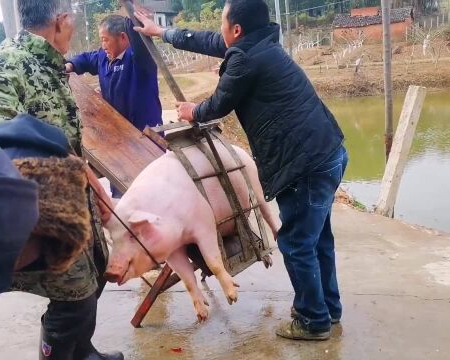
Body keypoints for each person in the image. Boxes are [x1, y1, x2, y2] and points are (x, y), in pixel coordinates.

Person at [134, 0, 347, 341]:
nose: (220, 30)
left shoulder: (245, 59)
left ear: (237, 30)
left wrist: (193, 110)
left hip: (306, 163)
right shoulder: (259, 45)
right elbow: (211, 42)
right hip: (329, 151)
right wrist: (164, 32)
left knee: (296, 244)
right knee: (317, 239)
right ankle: (327, 308)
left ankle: (313, 320)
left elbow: (218, 104)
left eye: (223, 23)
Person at [0, 0, 123, 359]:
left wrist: (88, 181)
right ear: (61, 21)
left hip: (72, 203)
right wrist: (58, 154)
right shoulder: (11, 60)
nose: (74, 25)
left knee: (95, 277)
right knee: (75, 300)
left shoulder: (50, 62)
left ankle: (82, 352)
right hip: (43, 213)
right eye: (73, 18)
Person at [66, 14, 163, 199]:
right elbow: (86, 59)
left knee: (151, 191)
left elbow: (141, 42)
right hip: (119, 141)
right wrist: (70, 65)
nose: (103, 45)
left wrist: (132, 13)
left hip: (146, 138)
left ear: (124, 38)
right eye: (101, 40)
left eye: (106, 40)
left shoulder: (140, 60)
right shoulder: (103, 58)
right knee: (122, 192)